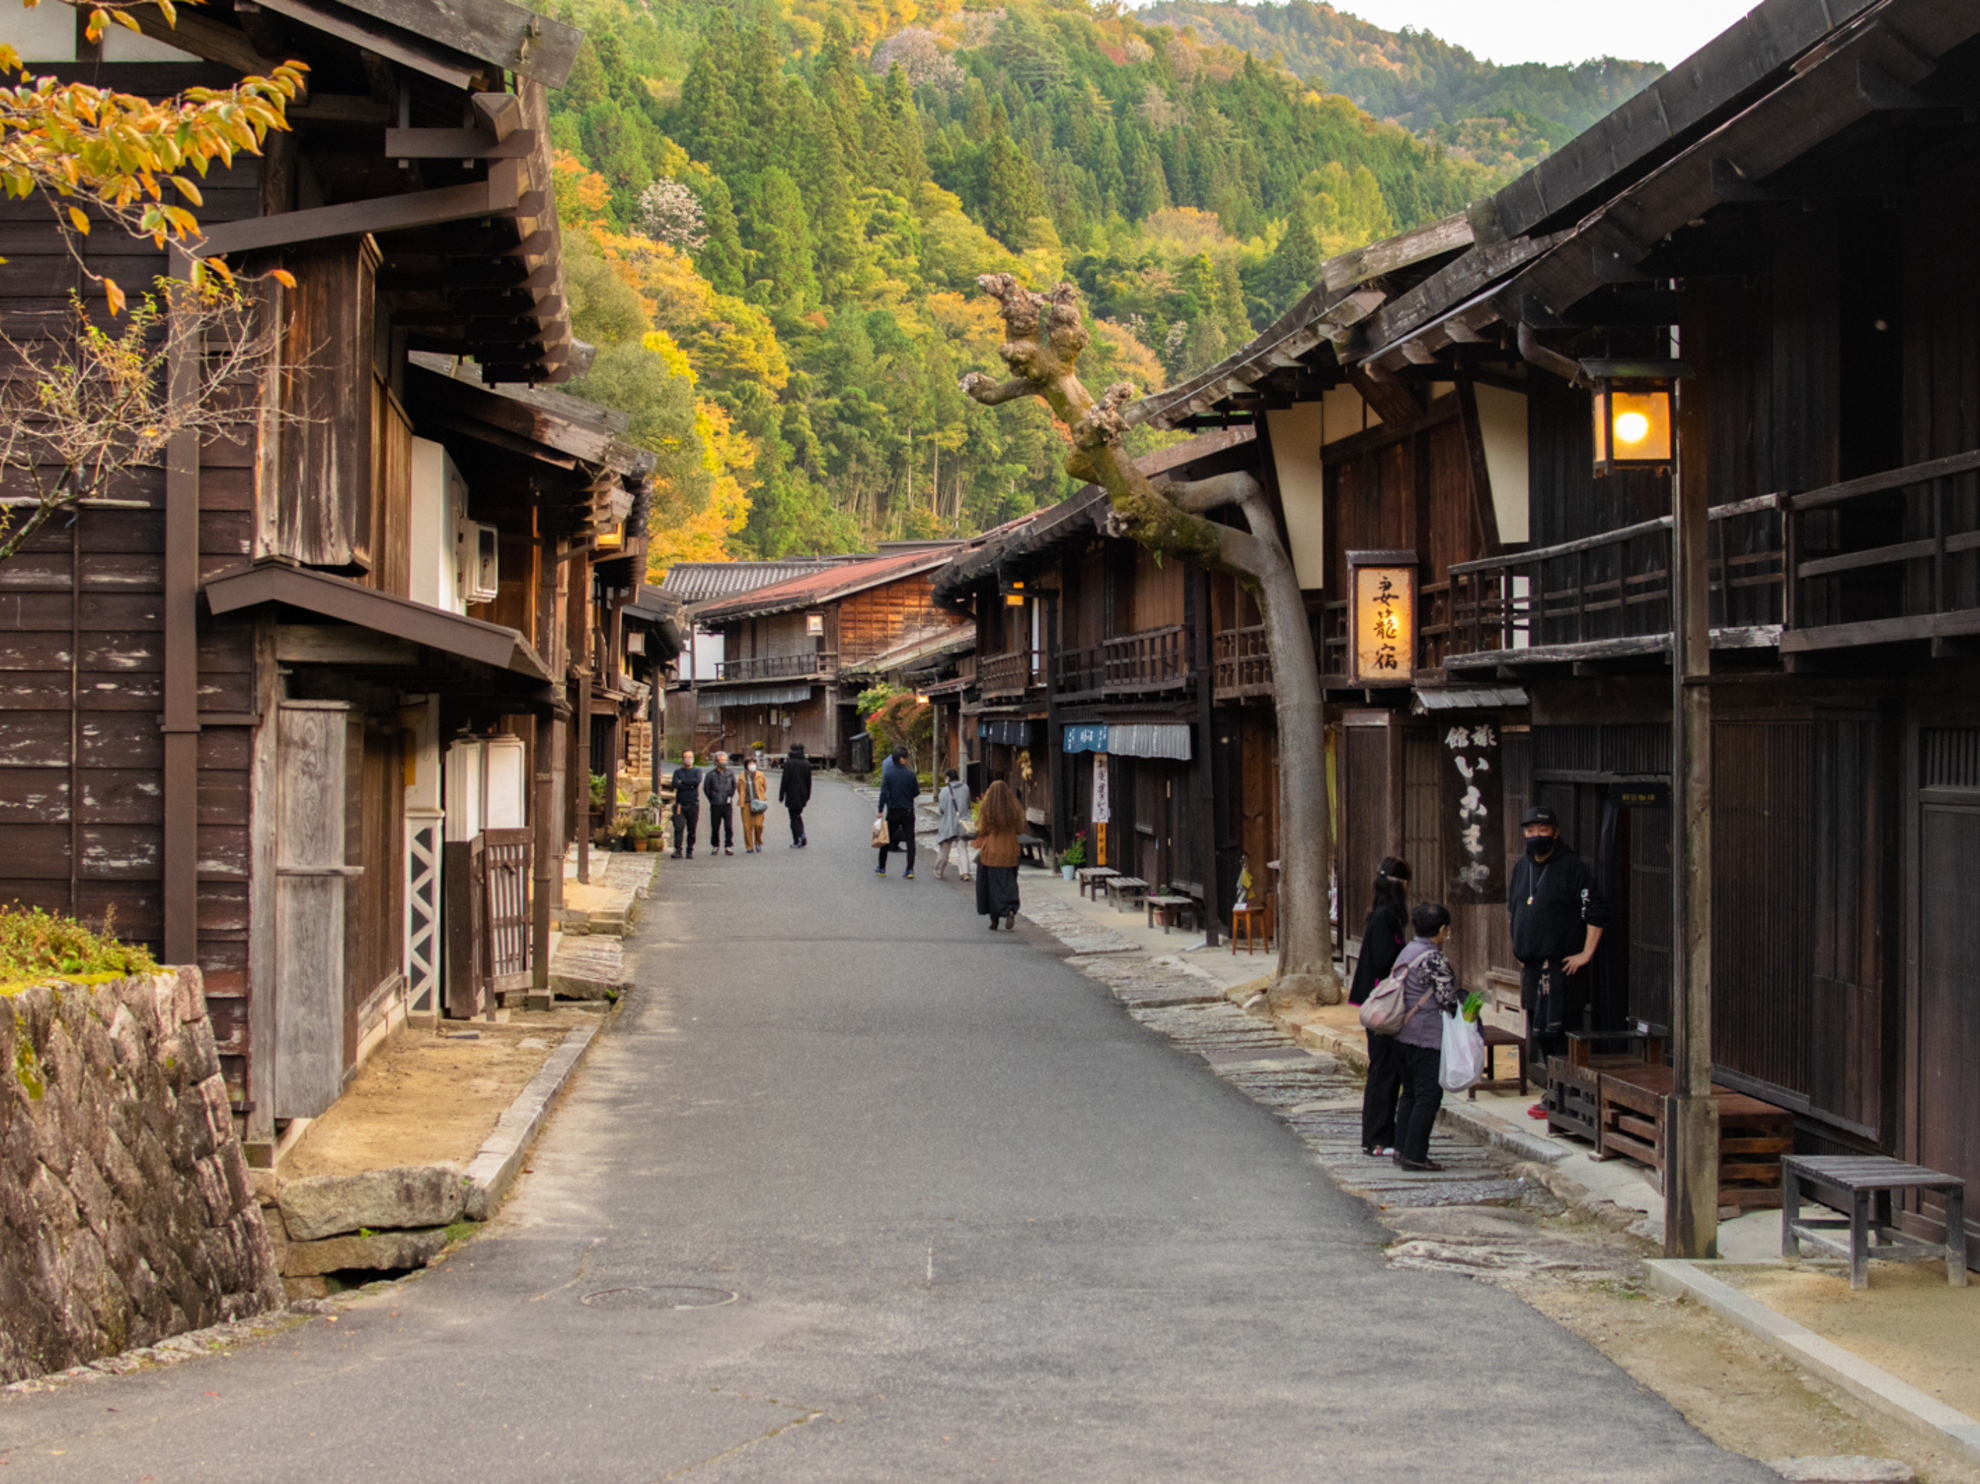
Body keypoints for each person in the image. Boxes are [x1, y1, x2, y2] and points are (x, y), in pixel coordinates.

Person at [1507, 804, 1612, 1117]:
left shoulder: (1572, 868)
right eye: (1530, 831)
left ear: (1555, 832)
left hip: (1563, 969)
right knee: (1540, 1035)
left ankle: (1570, 1100)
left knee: (1564, 1035)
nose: (1536, 836)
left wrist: (1586, 953)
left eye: (1542, 830)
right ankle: (1554, 1095)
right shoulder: (1520, 867)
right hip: (1531, 968)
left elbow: (1596, 912)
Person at [1388, 900, 1464, 1171]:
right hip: (1425, 1035)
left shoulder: (1408, 951)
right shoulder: (1434, 958)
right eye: (1447, 930)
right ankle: (1416, 1154)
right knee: (1428, 1095)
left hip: (1401, 1034)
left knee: (1409, 1093)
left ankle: (1401, 1148)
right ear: (1442, 929)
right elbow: (1448, 1001)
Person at [1352, 856, 1413, 1158]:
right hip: (1382, 1006)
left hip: (1376, 1002)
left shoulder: (1379, 913)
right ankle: (1376, 1138)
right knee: (1384, 1071)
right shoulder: (1387, 916)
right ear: (1402, 885)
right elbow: (1385, 959)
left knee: (1384, 1071)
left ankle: (1380, 1136)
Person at [973, 779, 1023, 929]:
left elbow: (982, 829)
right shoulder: (1014, 809)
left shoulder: (987, 809)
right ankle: (1010, 910)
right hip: (1010, 850)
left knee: (991, 885)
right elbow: (1019, 829)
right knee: (1008, 882)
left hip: (992, 852)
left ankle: (994, 919)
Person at [876, 746, 920, 878]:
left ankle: (882, 867)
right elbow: (916, 792)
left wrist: (880, 810)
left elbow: (883, 793)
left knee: (886, 839)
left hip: (893, 809)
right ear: (901, 759)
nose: (906, 760)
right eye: (905, 758)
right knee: (910, 839)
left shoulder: (888, 775)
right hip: (907, 810)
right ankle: (909, 869)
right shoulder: (910, 775)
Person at [933, 768, 972, 882]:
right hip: (962, 823)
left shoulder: (945, 791)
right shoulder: (965, 788)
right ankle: (965, 873)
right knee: (962, 849)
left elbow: (942, 808)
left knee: (944, 849)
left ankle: (939, 871)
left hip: (948, 824)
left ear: (948, 778)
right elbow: (968, 804)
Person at [668, 750, 702, 859]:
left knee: (692, 829)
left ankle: (690, 850)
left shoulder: (697, 771)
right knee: (678, 827)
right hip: (680, 804)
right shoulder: (677, 772)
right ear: (682, 759)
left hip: (693, 804)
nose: (688, 758)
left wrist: (682, 782)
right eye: (685, 756)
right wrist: (689, 784)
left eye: (690, 756)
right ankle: (678, 850)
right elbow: (675, 784)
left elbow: (696, 782)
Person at [778, 742, 812, 847]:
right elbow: (809, 782)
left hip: (792, 794)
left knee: (793, 817)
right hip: (802, 794)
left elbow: (785, 780)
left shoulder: (789, 763)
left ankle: (797, 840)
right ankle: (802, 835)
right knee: (798, 815)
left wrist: (781, 795)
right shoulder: (806, 763)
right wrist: (807, 796)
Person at [703, 751, 737, 856]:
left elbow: (733, 786)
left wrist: (730, 796)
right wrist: (712, 798)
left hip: (727, 804)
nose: (724, 762)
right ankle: (715, 845)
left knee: (728, 826)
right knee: (715, 826)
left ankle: (728, 845)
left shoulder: (730, 774)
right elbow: (706, 789)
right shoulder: (710, 775)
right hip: (715, 804)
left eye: (725, 760)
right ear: (716, 762)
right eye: (721, 760)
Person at [738, 756, 769, 852]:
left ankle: (758, 841)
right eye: (750, 764)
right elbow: (739, 789)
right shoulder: (741, 776)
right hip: (746, 803)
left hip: (758, 802)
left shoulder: (760, 775)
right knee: (747, 825)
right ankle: (749, 846)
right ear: (746, 766)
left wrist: (761, 796)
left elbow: (764, 787)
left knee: (758, 824)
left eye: (753, 763)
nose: (752, 766)